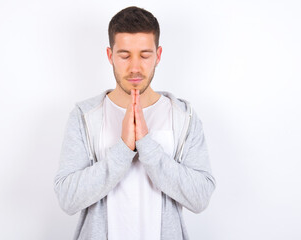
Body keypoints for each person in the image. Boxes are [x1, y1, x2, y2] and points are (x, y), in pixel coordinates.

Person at [54, 6, 216, 240]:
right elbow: (67, 199)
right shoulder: (84, 115)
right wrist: (123, 149)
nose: (135, 67)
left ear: (158, 55)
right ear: (110, 56)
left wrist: (147, 146)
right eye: (125, 55)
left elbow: (200, 197)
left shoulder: (184, 116)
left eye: (145, 55)